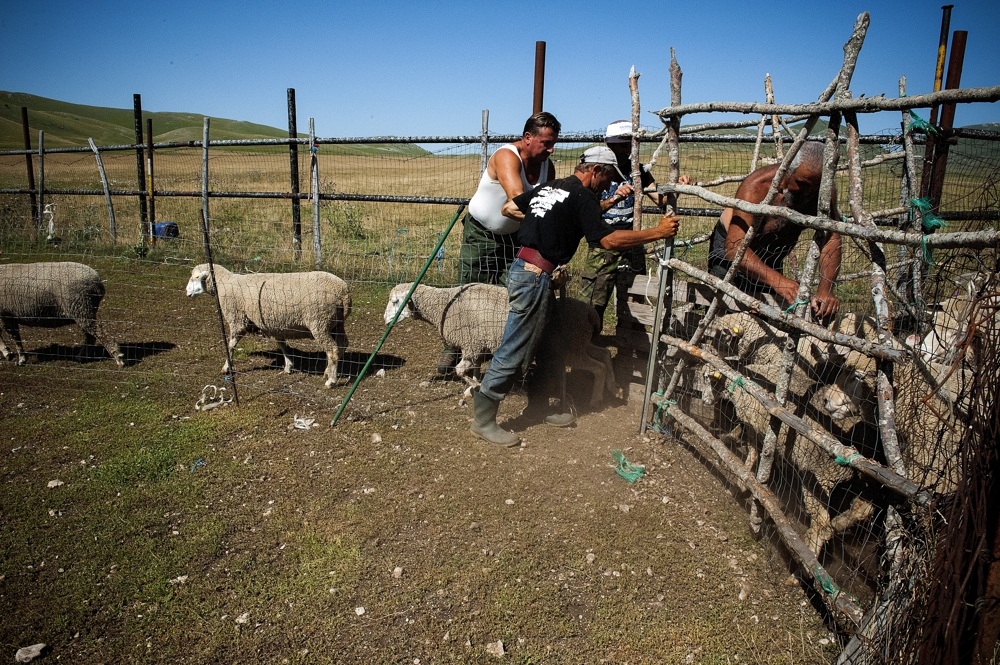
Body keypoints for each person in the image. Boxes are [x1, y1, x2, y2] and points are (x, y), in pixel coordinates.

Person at [469, 146, 682, 447]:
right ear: (595, 171)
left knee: (549, 340)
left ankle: (541, 405)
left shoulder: (552, 188)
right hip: (534, 276)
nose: (607, 185)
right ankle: (484, 419)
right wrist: (657, 232)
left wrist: (548, 223)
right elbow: (607, 240)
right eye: (606, 178)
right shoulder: (583, 196)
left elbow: (509, 209)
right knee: (515, 346)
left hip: (529, 270)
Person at [437, 111, 561, 375]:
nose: (551, 149)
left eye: (553, 143)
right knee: (468, 291)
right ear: (528, 137)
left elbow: (548, 203)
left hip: (515, 237)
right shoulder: (507, 156)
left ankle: (499, 354)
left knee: (510, 293)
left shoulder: (545, 166)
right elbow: (518, 198)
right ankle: (451, 350)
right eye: (546, 143)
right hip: (481, 233)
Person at [707, 141, 842, 320]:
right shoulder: (757, 187)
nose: (808, 192)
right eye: (802, 183)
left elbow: (831, 237)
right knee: (726, 310)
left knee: (766, 312)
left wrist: (826, 289)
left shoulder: (823, 192)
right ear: (787, 170)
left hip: (774, 253)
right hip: (730, 249)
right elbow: (734, 246)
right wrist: (777, 280)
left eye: (814, 186)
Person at [579, 120, 688, 334]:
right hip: (603, 244)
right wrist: (613, 199)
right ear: (608, 144)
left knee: (634, 297)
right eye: (619, 145)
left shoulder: (638, 171)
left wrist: (679, 188)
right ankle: (586, 347)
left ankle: (627, 346)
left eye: (628, 144)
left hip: (632, 241)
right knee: (593, 299)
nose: (625, 149)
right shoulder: (595, 171)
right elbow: (587, 212)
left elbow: (661, 200)